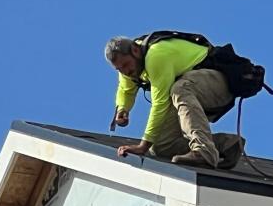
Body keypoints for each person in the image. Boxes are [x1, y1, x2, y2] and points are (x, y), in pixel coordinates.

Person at [104, 35, 244, 168]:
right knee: (161, 146)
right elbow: (126, 89)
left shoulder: (156, 55)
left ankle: (204, 152)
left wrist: (142, 146)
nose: (125, 72)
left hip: (219, 83)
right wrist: (123, 108)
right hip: (194, 89)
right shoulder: (128, 67)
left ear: (135, 50)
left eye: (126, 65)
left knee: (179, 89)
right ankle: (227, 145)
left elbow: (160, 104)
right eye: (119, 69)